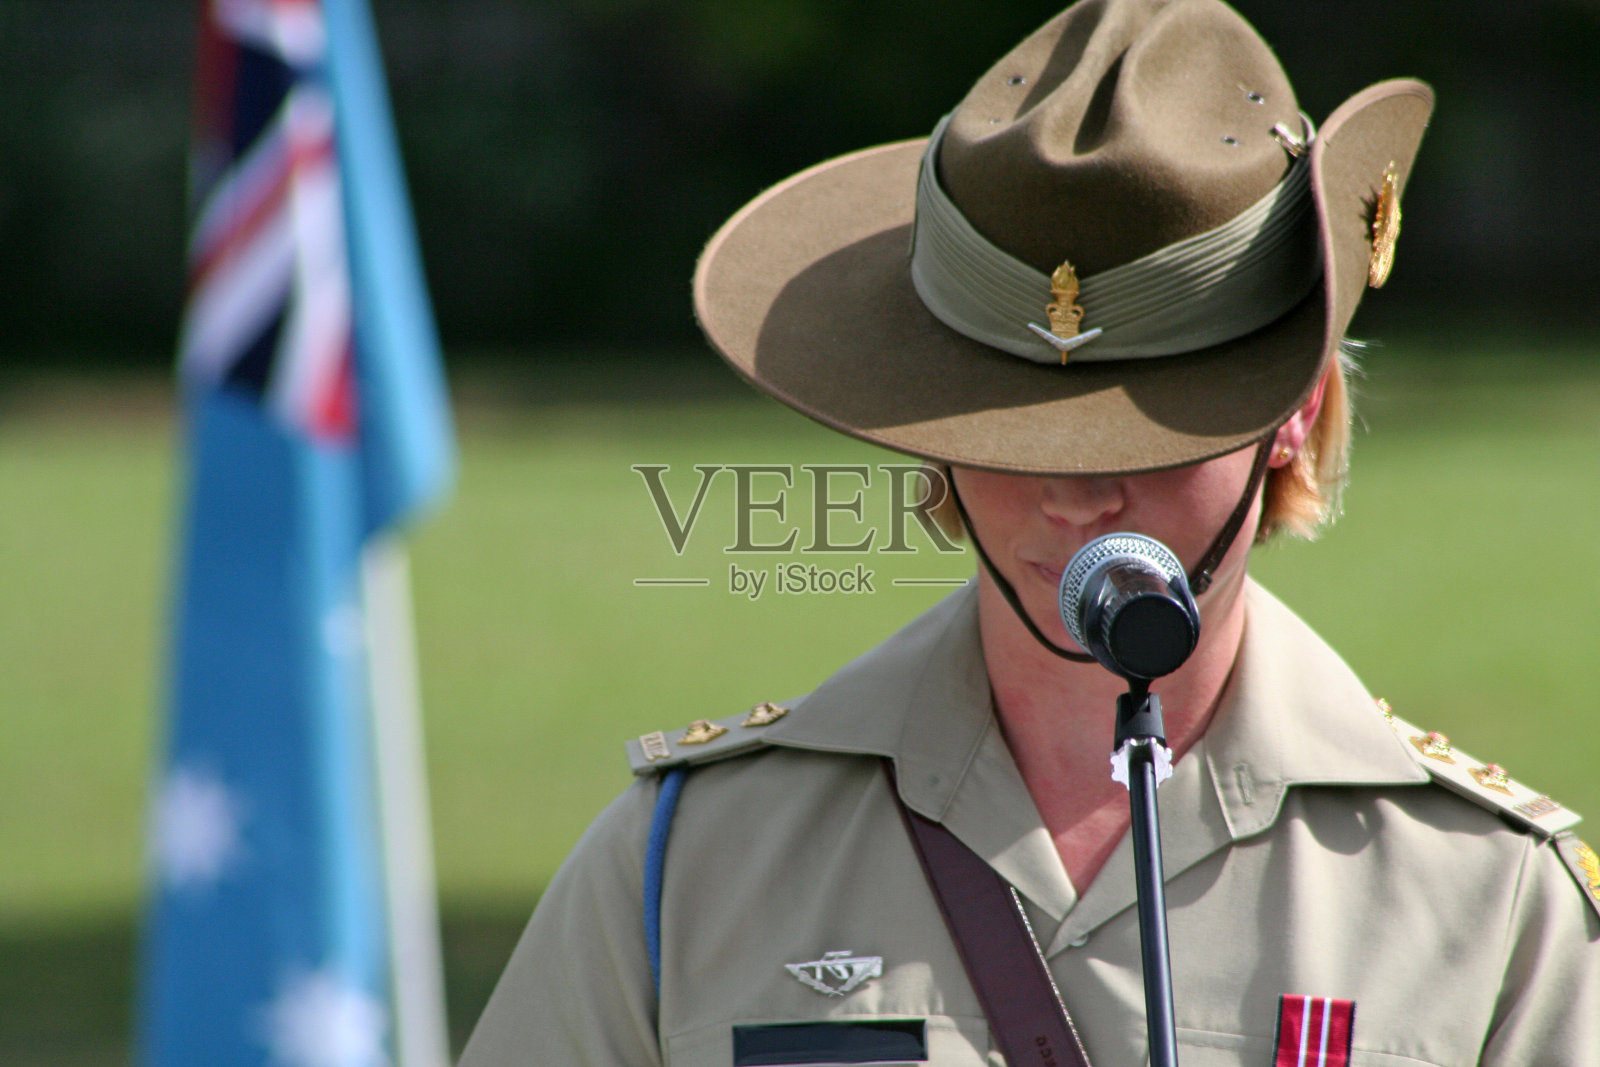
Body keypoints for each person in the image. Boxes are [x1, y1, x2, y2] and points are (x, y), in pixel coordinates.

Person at [461, 1, 1600, 1063]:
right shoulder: (693, 860)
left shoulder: (1487, 894)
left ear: (1292, 416)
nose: (1075, 498)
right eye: (1014, 428)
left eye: (1154, 423)